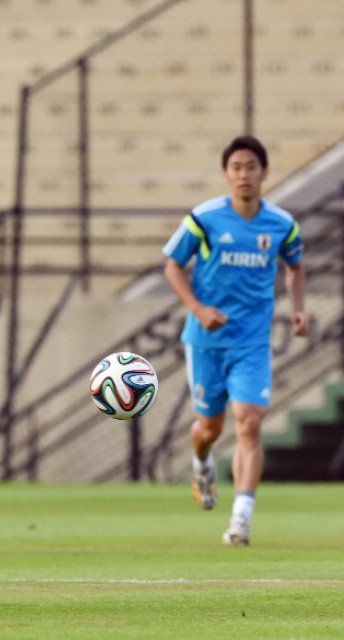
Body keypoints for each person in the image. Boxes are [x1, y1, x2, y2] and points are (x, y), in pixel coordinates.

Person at [162, 135, 308, 546]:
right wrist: (198, 308)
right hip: (206, 342)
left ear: (263, 172)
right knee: (209, 427)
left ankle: (240, 518)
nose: (244, 174)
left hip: (252, 342)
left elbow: (296, 266)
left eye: (251, 166)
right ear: (226, 174)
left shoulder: (281, 224)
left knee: (250, 422)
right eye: (236, 167)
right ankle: (202, 462)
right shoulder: (205, 218)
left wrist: (298, 307)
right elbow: (173, 266)